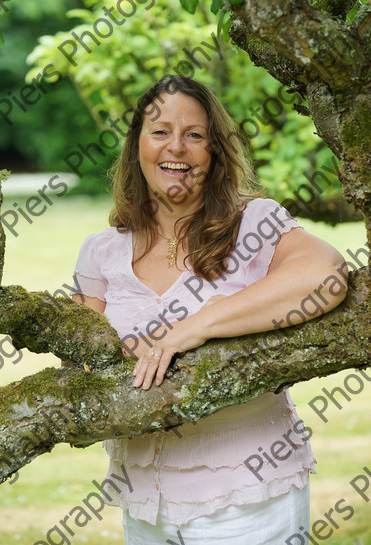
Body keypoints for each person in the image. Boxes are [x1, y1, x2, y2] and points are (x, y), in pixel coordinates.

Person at [70, 75, 348, 544]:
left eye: (194, 135)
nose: (175, 147)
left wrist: (194, 326)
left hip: (247, 495)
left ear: (214, 149)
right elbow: (81, 376)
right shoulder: (100, 251)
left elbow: (326, 275)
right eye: (159, 132)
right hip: (146, 504)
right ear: (137, 145)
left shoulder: (254, 223)